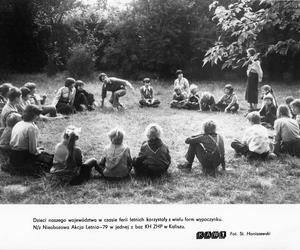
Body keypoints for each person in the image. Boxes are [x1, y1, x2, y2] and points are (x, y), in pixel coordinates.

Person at [7, 105, 53, 176]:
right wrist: (38, 151)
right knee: (50, 159)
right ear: (34, 116)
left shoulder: (19, 123)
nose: (39, 117)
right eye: (38, 115)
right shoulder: (31, 127)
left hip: (13, 156)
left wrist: (36, 149)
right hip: (23, 156)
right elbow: (33, 151)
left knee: (46, 155)